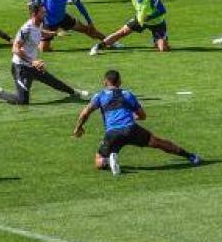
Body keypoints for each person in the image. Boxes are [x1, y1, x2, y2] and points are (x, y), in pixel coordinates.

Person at [73, 69, 201, 175]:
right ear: (120, 82)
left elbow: (85, 113)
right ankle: (190, 156)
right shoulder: (127, 94)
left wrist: (78, 127)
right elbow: (142, 115)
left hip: (112, 133)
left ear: (105, 82)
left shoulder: (99, 95)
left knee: (98, 162)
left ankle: (109, 160)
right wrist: (133, 117)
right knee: (159, 143)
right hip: (131, 129)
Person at [0, 2, 87, 106]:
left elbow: (40, 32)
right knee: (22, 101)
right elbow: (15, 49)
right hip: (20, 68)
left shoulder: (39, 23)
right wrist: (32, 61)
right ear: (34, 14)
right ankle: (0, 93)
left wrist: (55, 33)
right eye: (42, 12)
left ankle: (75, 92)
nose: (45, 13)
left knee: (52, 81)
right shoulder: (26, 29)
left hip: (33, 65)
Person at [91, 0, 170, 54]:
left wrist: (148, 17)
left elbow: (162, 10)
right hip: (140, 19)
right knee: (122, 32)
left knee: (163, 49)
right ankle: (97, 47)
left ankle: (157, 40)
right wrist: (141, 18)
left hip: (157, 23)